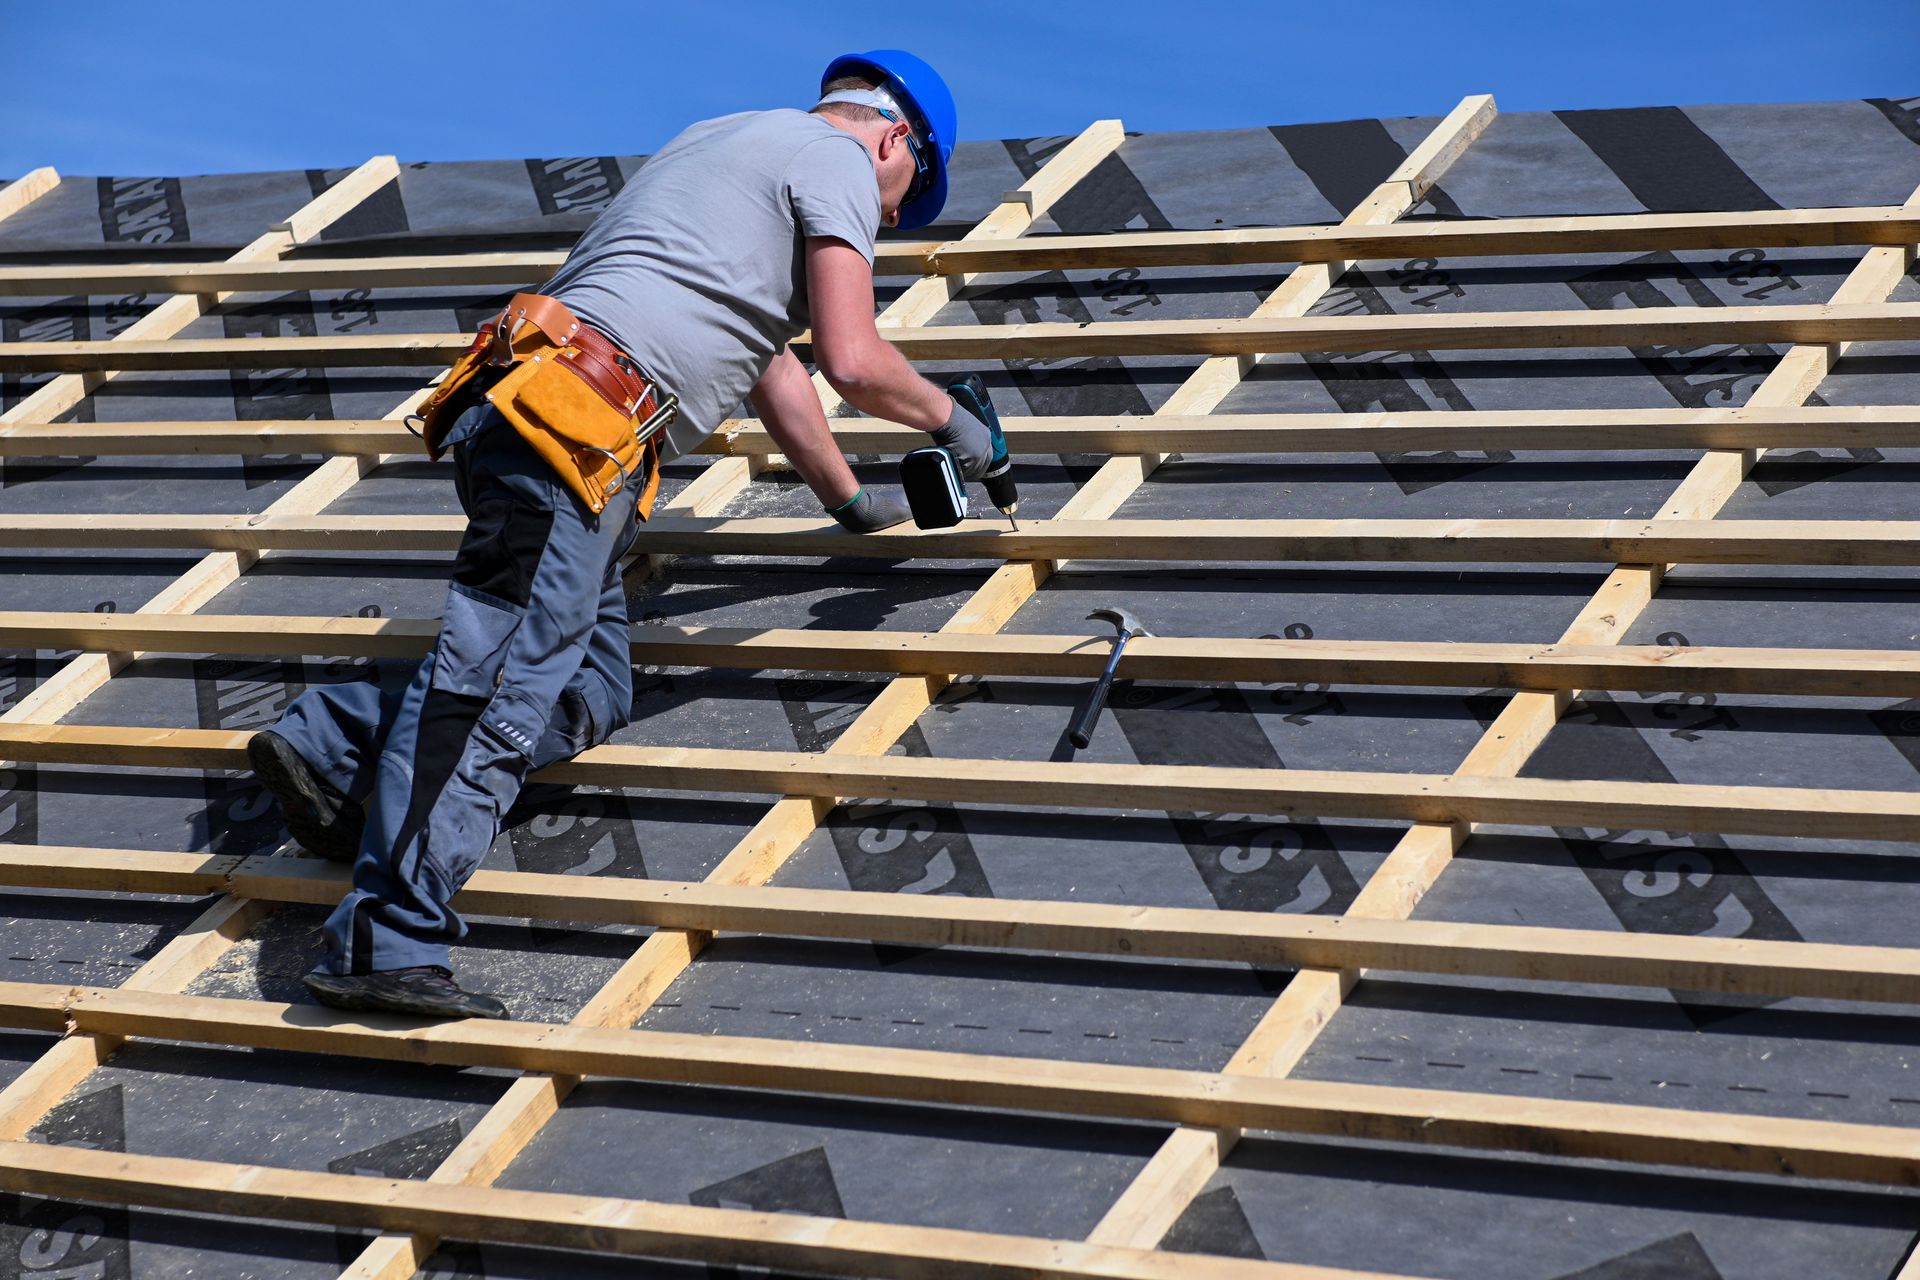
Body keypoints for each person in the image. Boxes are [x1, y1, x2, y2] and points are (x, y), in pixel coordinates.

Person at [246, 50, 997, 1020]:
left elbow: (776, 369)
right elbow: (852, 359)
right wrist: (952, 420)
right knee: (498, 690)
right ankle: (384, 935)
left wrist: (850, 502)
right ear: (897, 139)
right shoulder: (842, 163)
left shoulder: (721, 139)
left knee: (589, 685)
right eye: (905, 197)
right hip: (576, 428)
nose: (890, 218)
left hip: (537, 411)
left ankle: (335, 740)